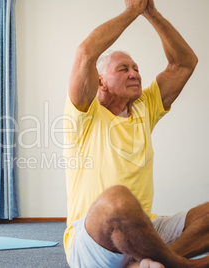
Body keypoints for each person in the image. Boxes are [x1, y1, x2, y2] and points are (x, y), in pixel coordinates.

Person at [64, 0, 209, 267]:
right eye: (123, 69)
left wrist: (151, 13)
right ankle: (185, 265)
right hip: (93, 238)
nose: (135, 74)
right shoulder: (84, 112)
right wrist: (132, 10)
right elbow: (86, 52)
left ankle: (151, 262)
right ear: (100, 81)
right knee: (116, 198)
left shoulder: (145, 107)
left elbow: (185, 63)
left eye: (137, 69)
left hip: (146, 230)